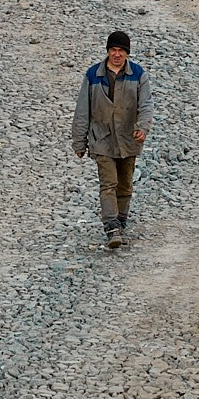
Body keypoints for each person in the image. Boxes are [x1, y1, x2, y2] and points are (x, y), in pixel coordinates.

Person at [70, 31, 150, 245]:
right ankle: (111, 226)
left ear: (127, 53)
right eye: (113, 50)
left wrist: (142, 128)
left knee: (125, 184)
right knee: (108, 184)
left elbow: (146, 105)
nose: (117, 54)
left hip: (128, 138)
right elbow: (82, 110)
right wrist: (79, 141)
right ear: (108, 51)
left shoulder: (138, 74)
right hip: (101, 138)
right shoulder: (93, 75)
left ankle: (121, 222)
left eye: (121, 50)